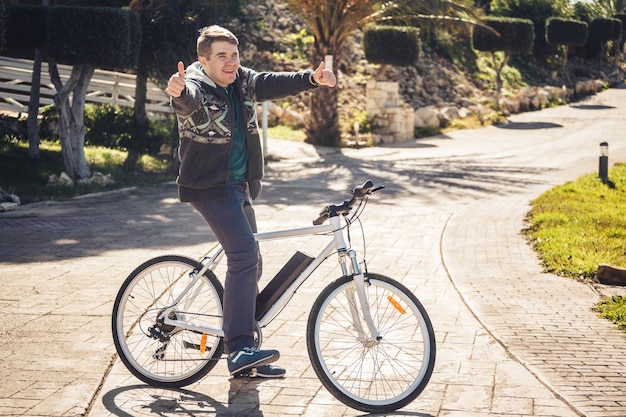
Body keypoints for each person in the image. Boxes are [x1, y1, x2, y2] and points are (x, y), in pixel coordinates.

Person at [166, 25, 337, 378]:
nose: (230, 63)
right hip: (210, 187)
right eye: (221, 57)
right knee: (243, 256)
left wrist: (312, 78)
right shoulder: (196, 85)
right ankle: (239, 347)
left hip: (240, 186)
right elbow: (188, 102)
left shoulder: (242, 80)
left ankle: (247, 356)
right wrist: (179, 92)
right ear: (203, 60)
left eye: (234, 55)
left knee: (251, 262)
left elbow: (272, 82)